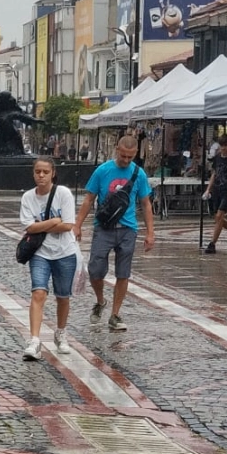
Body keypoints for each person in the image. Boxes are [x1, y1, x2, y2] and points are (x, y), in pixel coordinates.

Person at [75, 134, 155, 333]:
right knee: (95, 269)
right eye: (123, 156)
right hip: (104, 227)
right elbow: (88, 199)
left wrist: (150, 233)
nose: (126, 160)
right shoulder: (102, 171)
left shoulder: (139, 174)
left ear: (135, 154)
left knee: (123, 272)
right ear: (117, 150)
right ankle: (100, 300)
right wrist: (77, 225)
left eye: (130, 157)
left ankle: (115, 314)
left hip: (128, 229)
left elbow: (146, 204)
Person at [20, 157, 78, 360]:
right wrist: (54, 221)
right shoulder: (28, 197)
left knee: (63, 296)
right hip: (40, 252)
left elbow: (68, 225)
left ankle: (60, 332)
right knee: (38, 292)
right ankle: (34, 341)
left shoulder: (63, 193)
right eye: (38, 171)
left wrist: (40, 225)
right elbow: (29, 227)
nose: (41, 175)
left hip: (65, 251)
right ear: (33, 173)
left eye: (45, 172)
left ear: (53, 173)